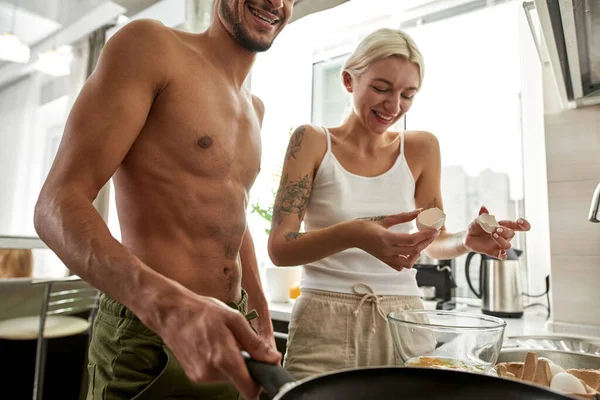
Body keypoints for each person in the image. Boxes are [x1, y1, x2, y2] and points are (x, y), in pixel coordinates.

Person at [33, 1, 294, 399]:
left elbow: (230, 218)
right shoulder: (150, 45)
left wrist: (257, 315)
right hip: (148, 332)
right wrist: (169, 308)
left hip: (226, 329)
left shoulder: (254, 108)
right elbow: (56, 204)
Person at [267, 28, 532, 380]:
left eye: (408, 94)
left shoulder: (422, 148)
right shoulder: (312, 141)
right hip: (322, 321)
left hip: (405, 322)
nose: (394, 106)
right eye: (381, 88)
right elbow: (280, 249)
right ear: (348, 81)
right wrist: (356, 234)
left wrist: (465, 242)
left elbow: (433, 241)